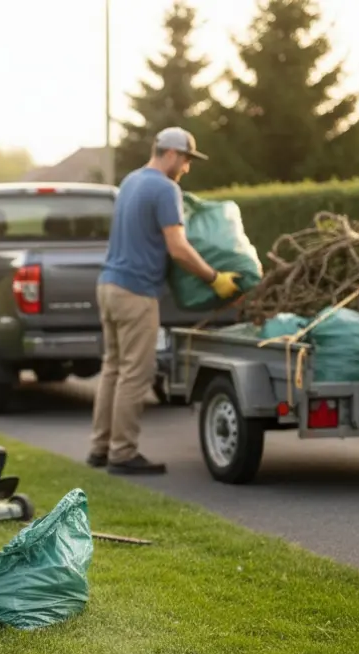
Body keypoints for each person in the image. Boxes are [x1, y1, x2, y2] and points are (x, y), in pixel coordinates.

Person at [87, 127, 240, 475]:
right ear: (171, 154)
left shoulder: (130, 182)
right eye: (186, 159)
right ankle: (122, 454)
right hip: (136, 293)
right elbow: (178, 248)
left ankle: (99, 447)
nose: (187, 167)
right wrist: (214, 278)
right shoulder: (165, 188)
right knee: (136, 375)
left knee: (112, 369)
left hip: (108, 287)